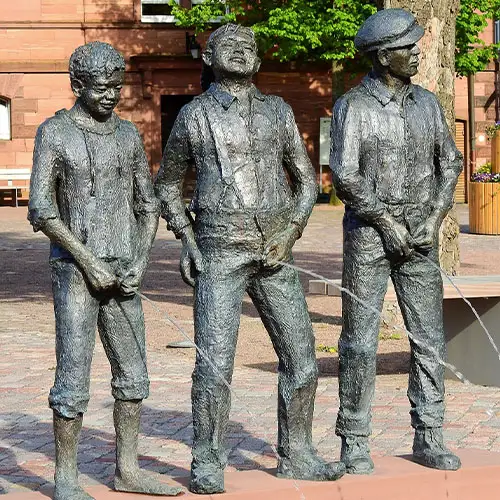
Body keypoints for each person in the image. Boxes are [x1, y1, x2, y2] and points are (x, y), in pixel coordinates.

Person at [155, 23, 345, 495]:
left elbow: (306, 182)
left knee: (302, 359)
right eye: (229, 46)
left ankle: (297, 452)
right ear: (210, 57)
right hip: (220, 249)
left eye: (249, 47)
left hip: (276, 249)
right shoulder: (195, 115)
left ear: (258, 62)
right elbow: (167, 185)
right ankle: (207, 460)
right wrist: (187, 239)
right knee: (215, 363)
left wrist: (291, 232)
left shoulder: (278, 111)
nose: (240, 52)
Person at [28, 41, 182, 499]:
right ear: (77, 85)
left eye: (117, 86)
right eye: (101, 88)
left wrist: (140, 258)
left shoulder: (129, 135)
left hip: (124, 273)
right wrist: (88, 260)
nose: (111, 95)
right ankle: (66, 478)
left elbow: (147, 202)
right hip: (76, 272)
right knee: (73, 376)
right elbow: (41, 209)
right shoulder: (54, 133)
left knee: (133, 374)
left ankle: (127, 469)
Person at [330, 8, 463, 475]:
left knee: (428, 339)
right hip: (369, 235)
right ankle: (354, 439)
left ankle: (430, 434)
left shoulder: (428, 103)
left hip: (421, 234)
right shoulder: (353, 106)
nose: (417, 53)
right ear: (385, 56)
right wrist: (386, 222)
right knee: (360, 343)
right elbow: (343, 174)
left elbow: (450, 163)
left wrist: (433, 218)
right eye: (408, 48)